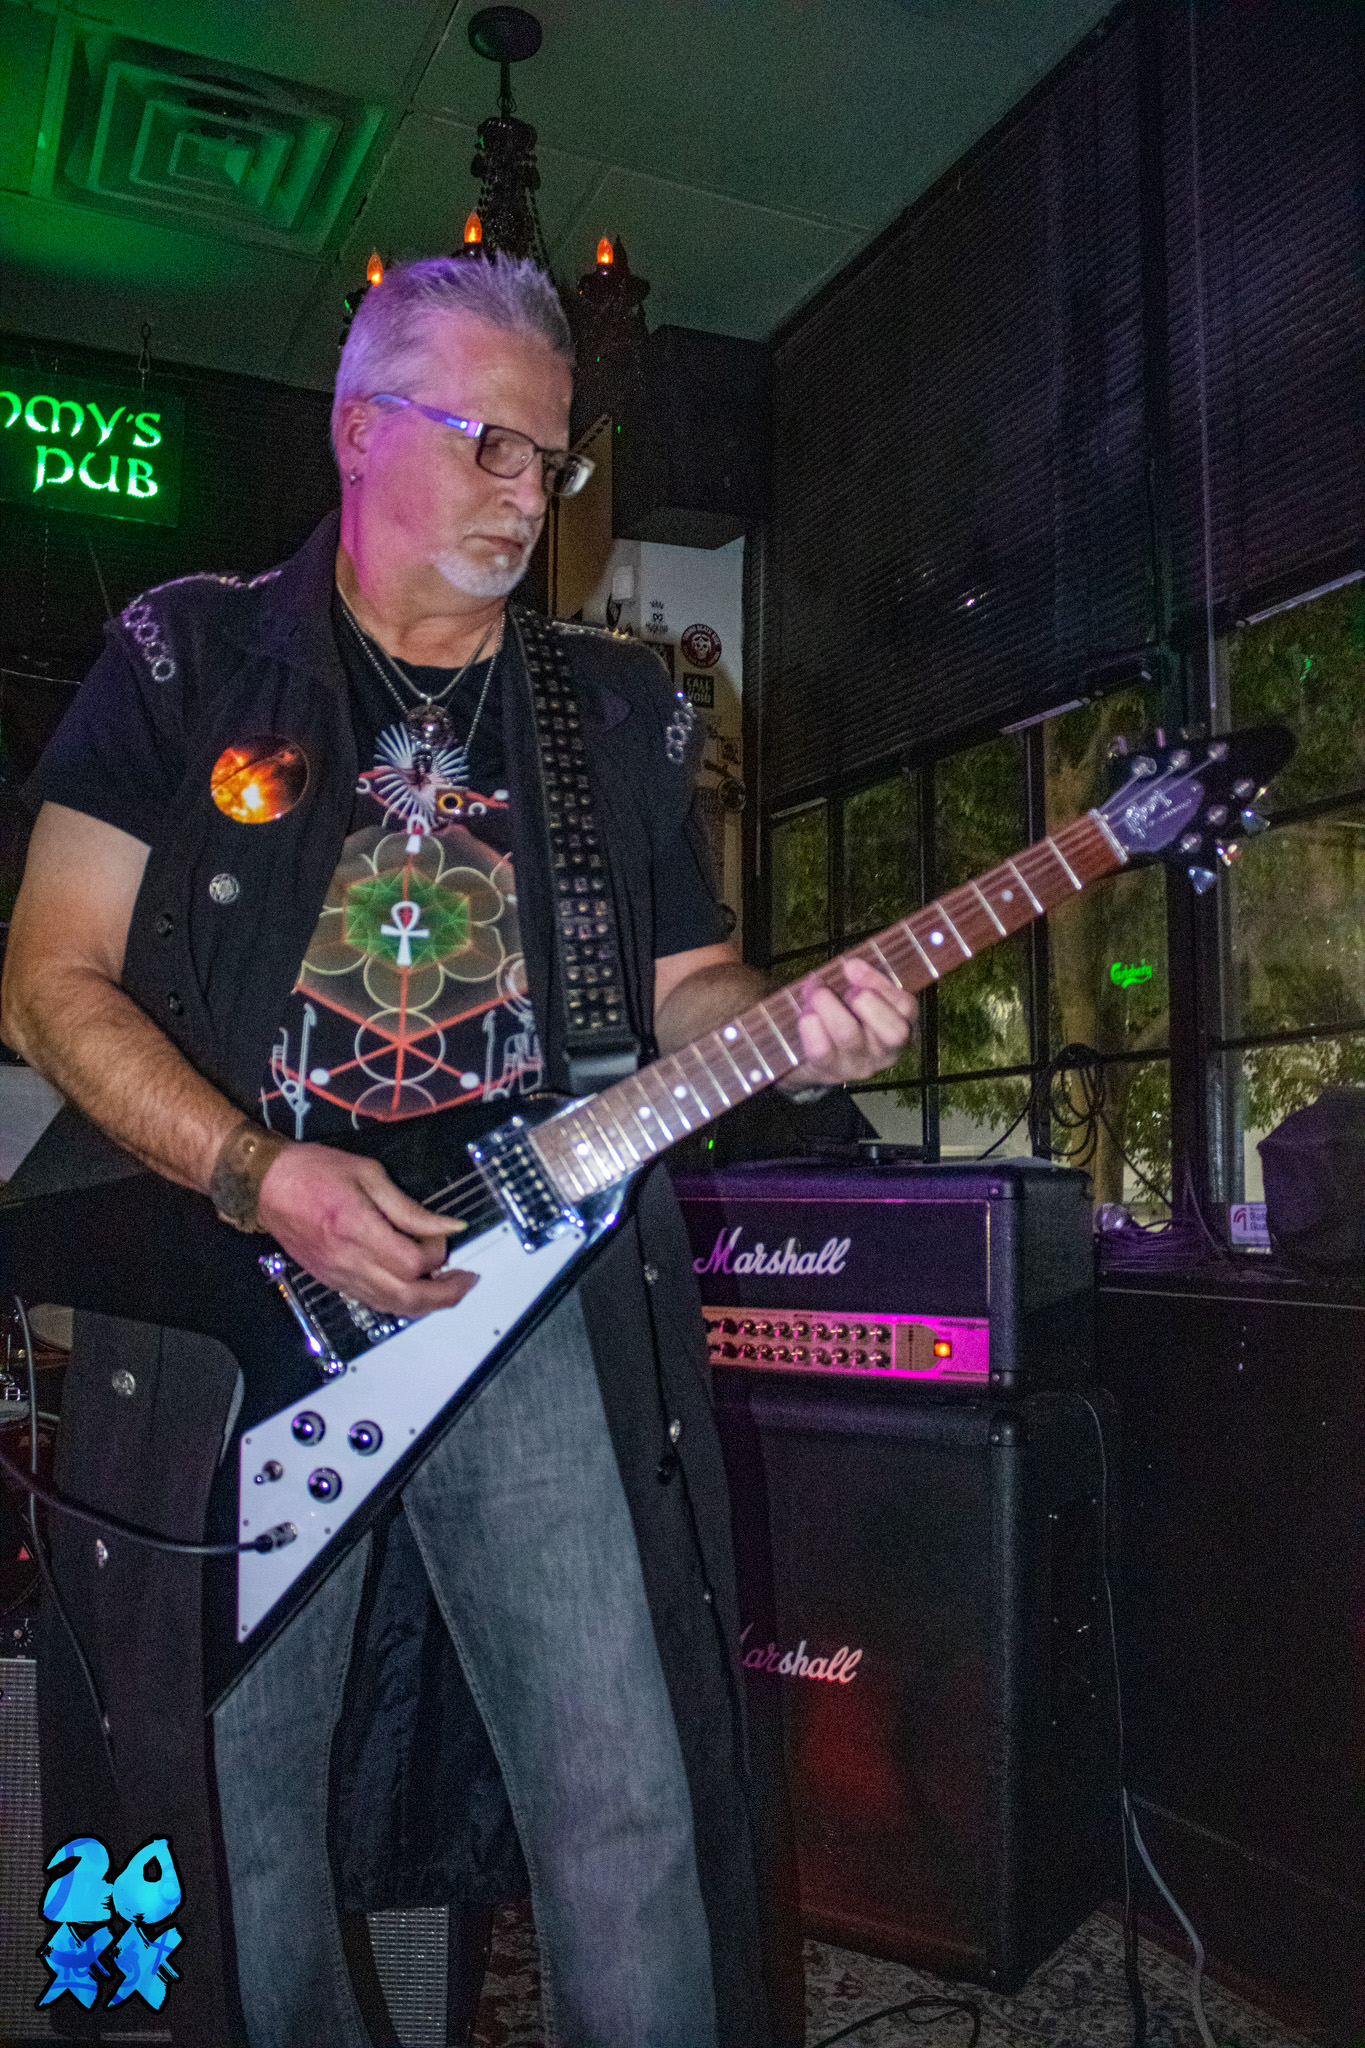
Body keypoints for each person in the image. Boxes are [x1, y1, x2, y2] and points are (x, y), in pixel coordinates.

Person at [1, 254, 914, 2048]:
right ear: (359, 429)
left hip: (525, 1293)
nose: (527, 496)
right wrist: (257, 1172)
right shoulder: (189, 654)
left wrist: (792, 1016)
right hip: (234, 1300)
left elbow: (687, 987)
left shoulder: (612, 709)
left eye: (549, 462)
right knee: (225, 1813)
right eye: (487, 445)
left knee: (624, 1790)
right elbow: (47, 983)